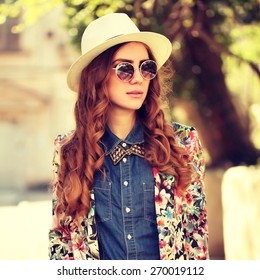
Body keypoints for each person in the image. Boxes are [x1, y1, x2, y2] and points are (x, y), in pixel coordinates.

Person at [48, 13, 209, 260]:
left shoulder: (183, 143)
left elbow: (196, 236)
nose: (138, 78)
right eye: (125, 68)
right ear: (98, 76)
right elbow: (61, 243)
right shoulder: (69, 150)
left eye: (146, 68)